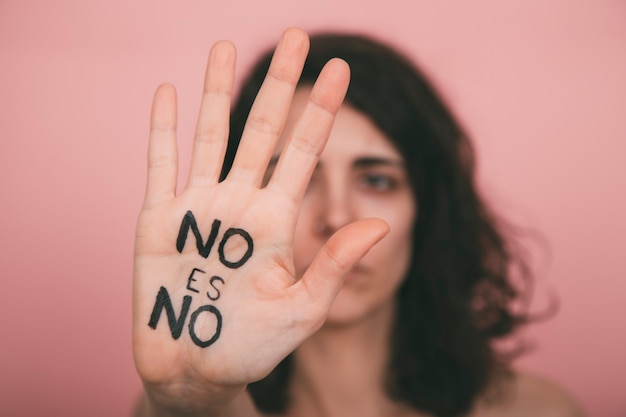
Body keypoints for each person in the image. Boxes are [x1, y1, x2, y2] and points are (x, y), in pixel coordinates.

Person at [132, 28, 584, 417]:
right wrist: (196, 404)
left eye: (376, 179)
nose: (337, 217)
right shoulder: (186, 408)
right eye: (302, 179)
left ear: (426, 210)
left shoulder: (537, 410)